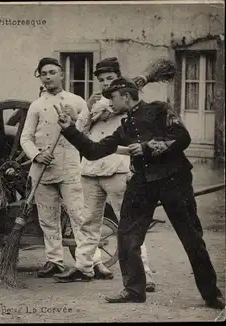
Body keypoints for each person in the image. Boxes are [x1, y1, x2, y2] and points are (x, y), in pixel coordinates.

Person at [57, 77, 225, 309]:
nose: (110, 103)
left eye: (113, 98)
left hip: (174, 179)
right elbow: (94, 151)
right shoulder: (125, 126)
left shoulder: (159, 109)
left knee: (191, 238)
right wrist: (69, 130)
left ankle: (211, 294)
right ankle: (134, 290)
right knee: (126, 235)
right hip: (142, 183)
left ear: (126, 96)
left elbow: (182, 137)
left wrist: (147, 147)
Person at [20, 57, 111, 281]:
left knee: (80, 216)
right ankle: (54, 261)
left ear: (61, 74)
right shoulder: (36, 106)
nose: (48, 77)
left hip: (70, 167)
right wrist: (36, 154)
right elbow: (25, 138)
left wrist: (76, 117)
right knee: (47, 218)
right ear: (39, 77)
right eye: (44, 73)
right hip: (43, 170)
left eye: (52, 72)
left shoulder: (77, 101)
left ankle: (93, 261)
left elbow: (87, 129)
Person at [75, 57, 155, 290]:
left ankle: (145, 275)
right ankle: (84, 267)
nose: (105, 84)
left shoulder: (127, 102)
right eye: (101, 80)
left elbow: (138, 135)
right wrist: (89, 110)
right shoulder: (93, 102)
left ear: (119, 79)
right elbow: (76, 132)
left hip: (116, 169)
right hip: (90, 170)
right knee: (88, 221)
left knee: (129, 223)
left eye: (110, 79)